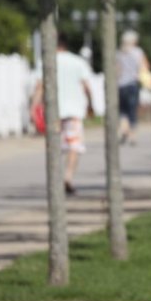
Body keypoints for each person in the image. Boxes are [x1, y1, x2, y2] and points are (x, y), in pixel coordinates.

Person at [30, 34, 94, 196]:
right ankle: (68, 176)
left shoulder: (45, 62)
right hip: (73, 110)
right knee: (74, 145)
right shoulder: (77, 62)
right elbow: (86, 86)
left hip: (53, 111)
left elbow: (40, 86)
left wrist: (33, 107)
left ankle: (55, 178)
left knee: (54, 145)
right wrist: (91, 104)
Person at [115, 30, 150, 145]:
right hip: (133, 84)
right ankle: (133, 136)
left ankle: (124, 129)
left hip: (121, 85)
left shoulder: (119, 53)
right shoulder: (138, 52)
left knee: (123, 111)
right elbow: (144, 66)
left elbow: (117, 70)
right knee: (133, 110)